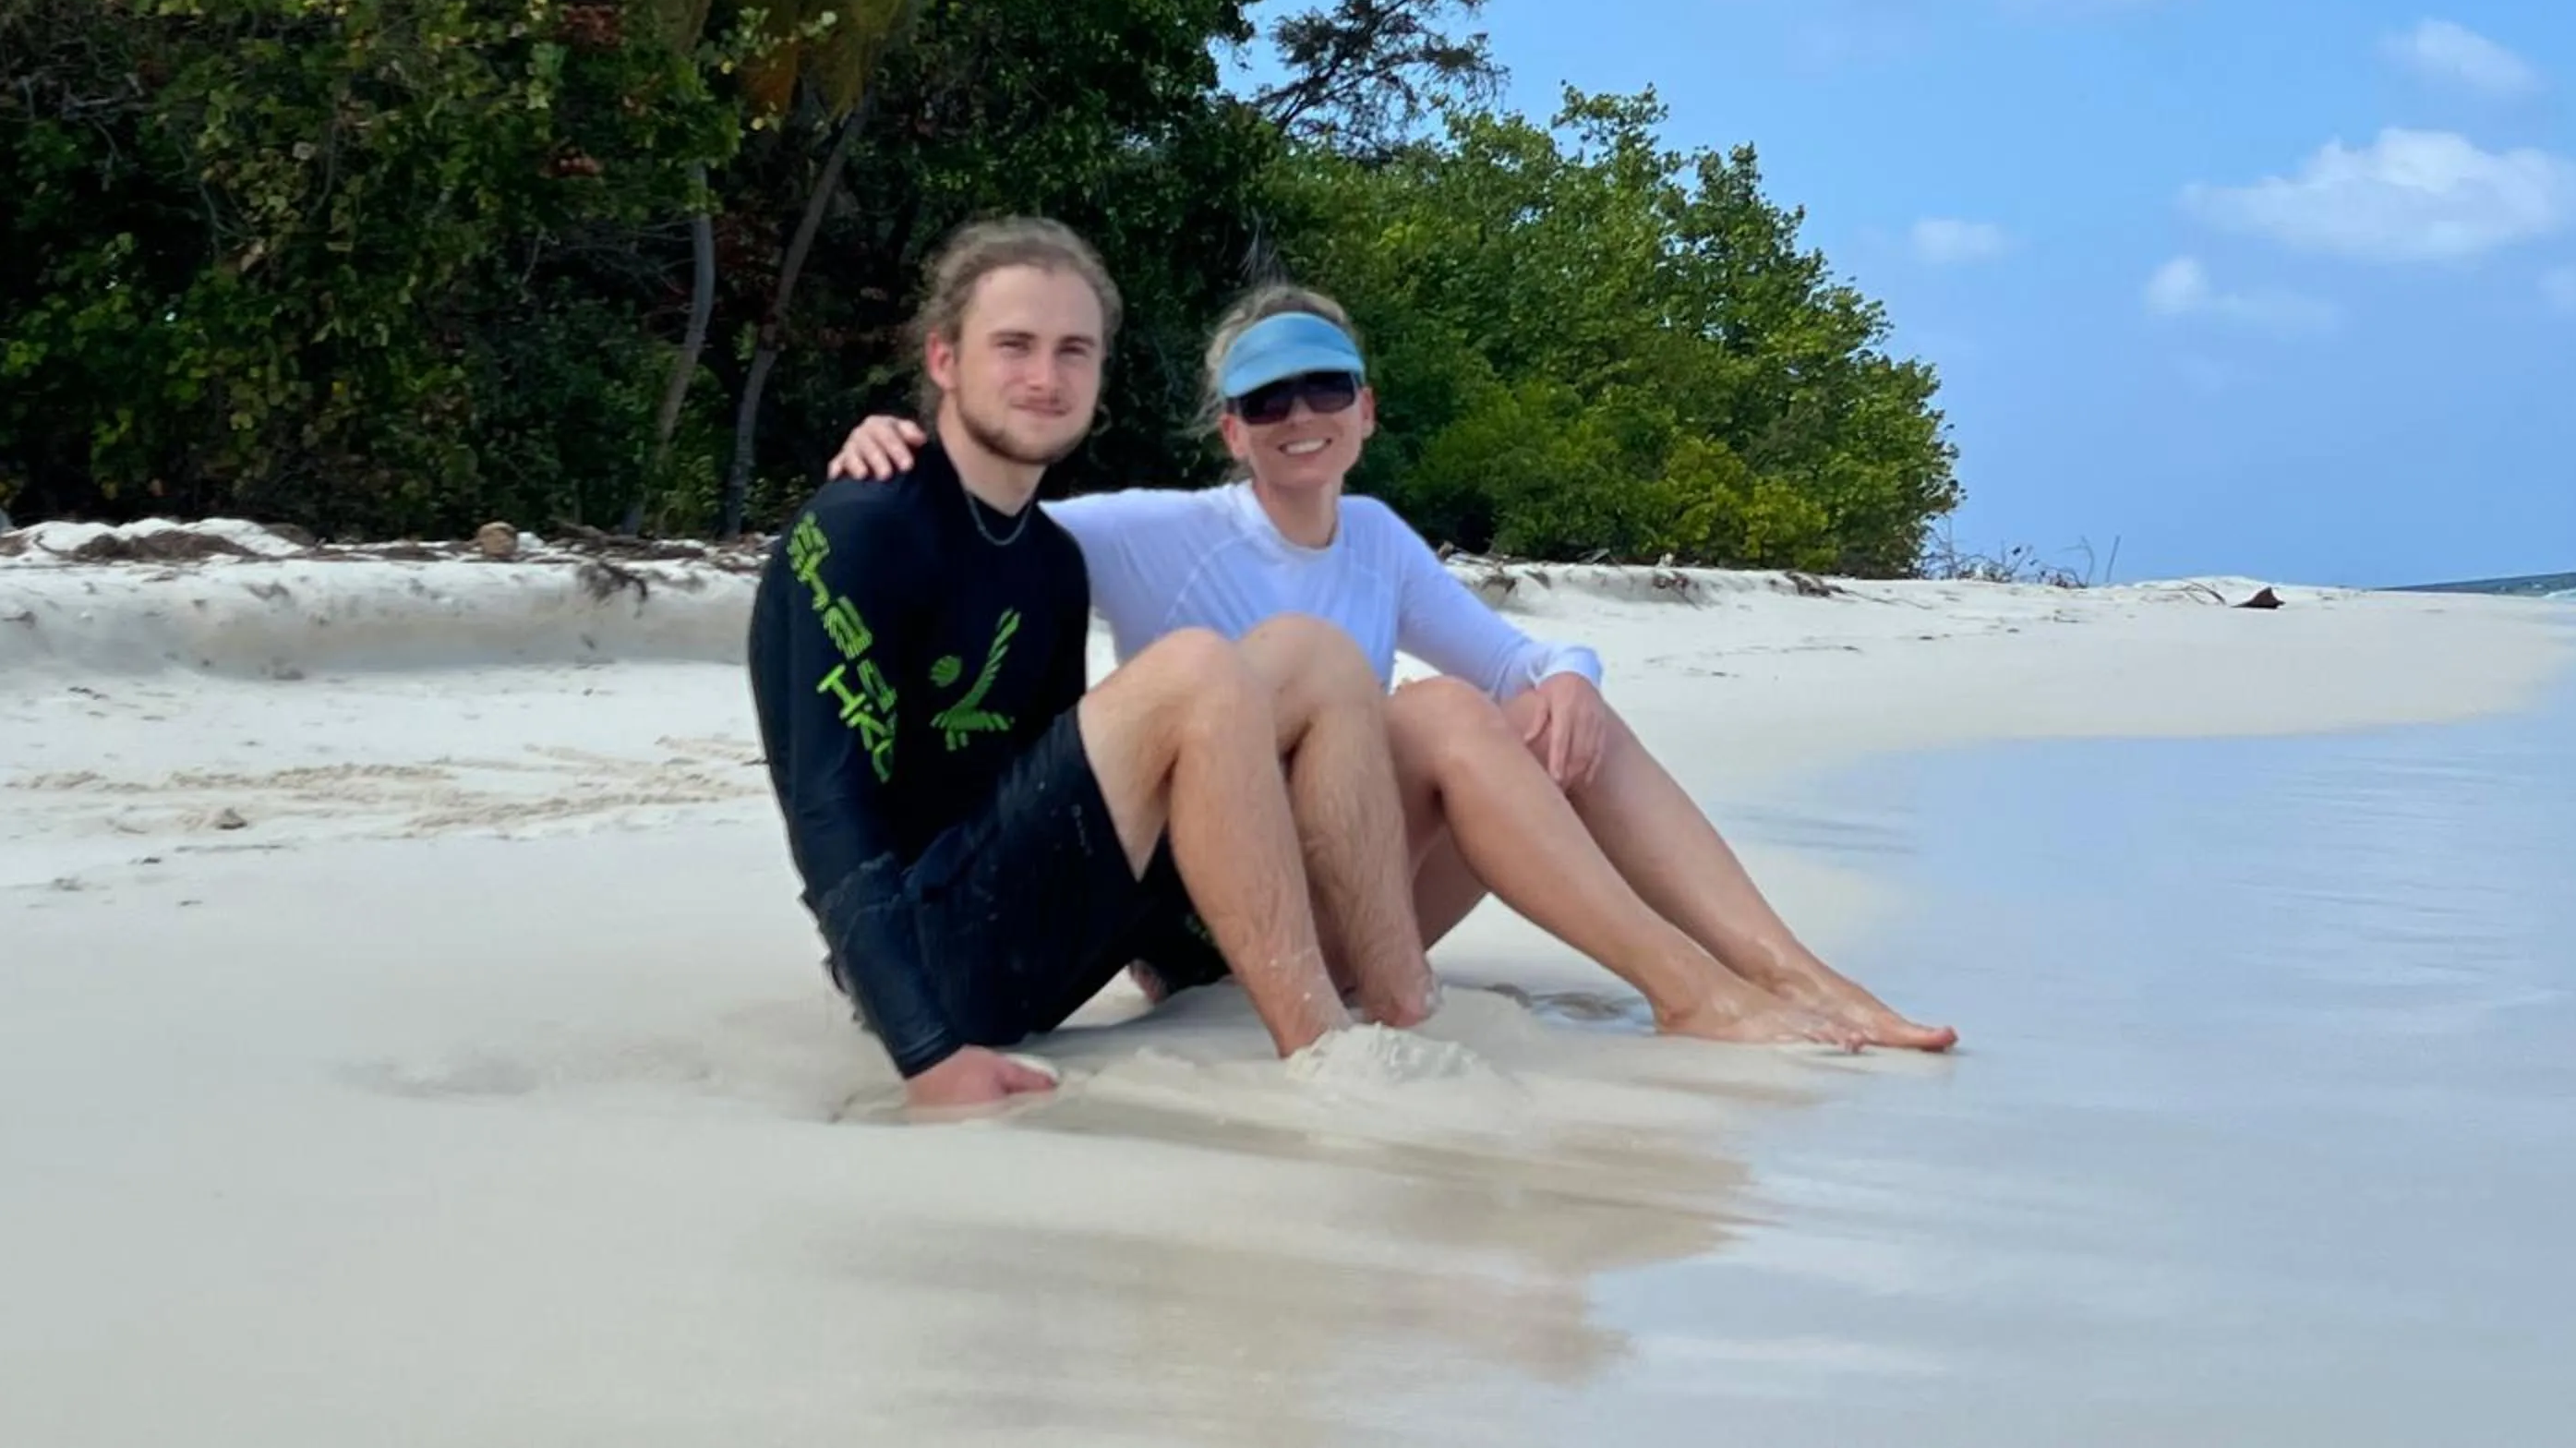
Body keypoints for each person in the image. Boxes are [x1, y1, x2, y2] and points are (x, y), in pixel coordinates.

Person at [828, 284, 1956, 1053]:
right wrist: (896, 456)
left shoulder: (1375, 538)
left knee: (1551, 714)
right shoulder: (1165, 532)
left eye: (1324, 390)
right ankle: (1693, 991)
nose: (1299, 418)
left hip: (1355, 897)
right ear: (1232, 431)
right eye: (1267, 402)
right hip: (1224, 924)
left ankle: (1795, 974)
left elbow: (1530, 657)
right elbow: (992, 523)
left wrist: (1572, 672)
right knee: (1449, 715)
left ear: (1366, 409)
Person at [748, 223, 1438, 1113]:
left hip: (1037, 947)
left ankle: (1401, 1011)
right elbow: (826, 809)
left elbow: (1065, 792)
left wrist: (1176, 949)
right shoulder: (859, 528)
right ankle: (1320, 1049)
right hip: (930, 966)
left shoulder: (1051, 562)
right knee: (1196, 668)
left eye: (1074, 350)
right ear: (944, 359)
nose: (1046, 377)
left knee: (1318, 655)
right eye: (1015, 346)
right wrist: (928, 1052)